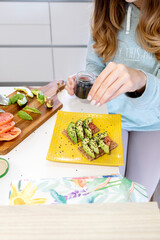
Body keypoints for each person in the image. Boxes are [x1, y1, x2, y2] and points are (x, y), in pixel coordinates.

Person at [65, 0, 160, 200]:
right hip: (110, 117)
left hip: (153, 124)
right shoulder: (106, 8)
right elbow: (94, 63)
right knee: (108, 198)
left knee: (136, 201)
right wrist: (87, 81)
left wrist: (141, 81)